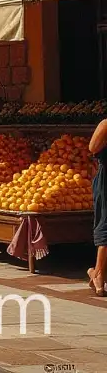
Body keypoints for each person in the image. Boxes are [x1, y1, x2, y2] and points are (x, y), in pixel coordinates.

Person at [90, 118, 107, 296]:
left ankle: (95, 272)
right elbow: (92, 148)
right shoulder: (104, 125)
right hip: (105, 181)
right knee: (106, 224)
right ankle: (99, 274)